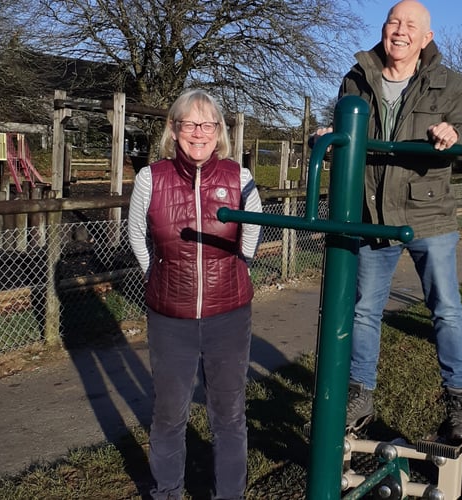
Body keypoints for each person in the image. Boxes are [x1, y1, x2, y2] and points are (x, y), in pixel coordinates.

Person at [313, 0, 462, 441]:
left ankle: (459, 399)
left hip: (428, 212)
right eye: (393, 21)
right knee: (365, 308)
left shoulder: (451, 83)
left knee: (445, 308)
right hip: (372, 212)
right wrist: (325, 138)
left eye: (411, 25)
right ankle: (360, 394)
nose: (400, 30)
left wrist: (453, 134)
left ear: (427, 38)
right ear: (384, 29)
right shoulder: (357, 77)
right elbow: (342, 132)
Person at [128, 89, 262, 500]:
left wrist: (238, 268)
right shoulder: (151, 178)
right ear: (174, 129)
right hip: (170, 319)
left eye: (207, 125)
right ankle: (167, 491)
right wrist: (158, 274)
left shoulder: (238, 177)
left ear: (219, 131)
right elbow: (136, 233)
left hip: (229, 316)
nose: (198, 133)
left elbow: (253, 227)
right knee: (169, 415)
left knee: (229, 416)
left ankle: (229, 495)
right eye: (189, 124)